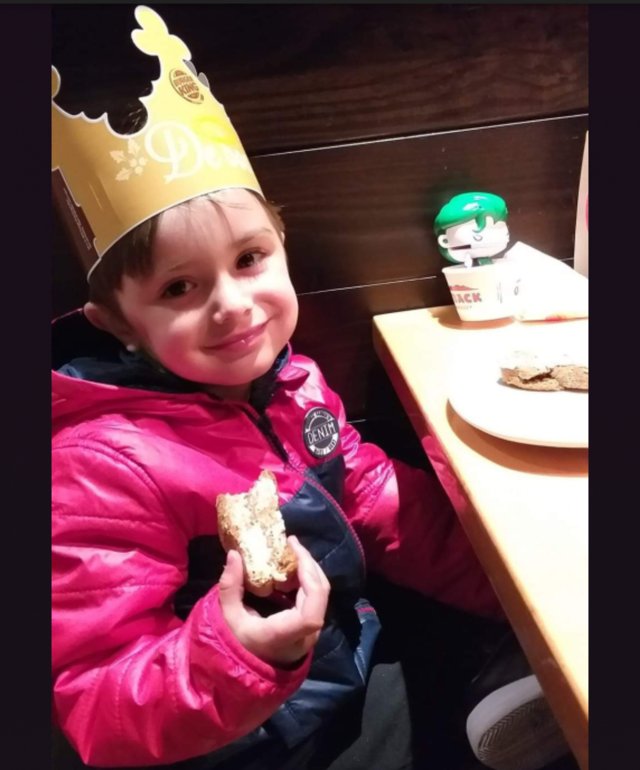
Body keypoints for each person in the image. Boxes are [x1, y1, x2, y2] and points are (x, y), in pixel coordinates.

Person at [52, 7, 570, 770]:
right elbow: (97, 705)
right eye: (179, 288)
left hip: (346, 647)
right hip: (256, 731)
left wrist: (523, 588)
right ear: (120, 323)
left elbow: (374, 500)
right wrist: (234, 654)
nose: (233, 304)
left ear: (283, 246)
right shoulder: (100, 468)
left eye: (249, 259)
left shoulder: (286, 382)